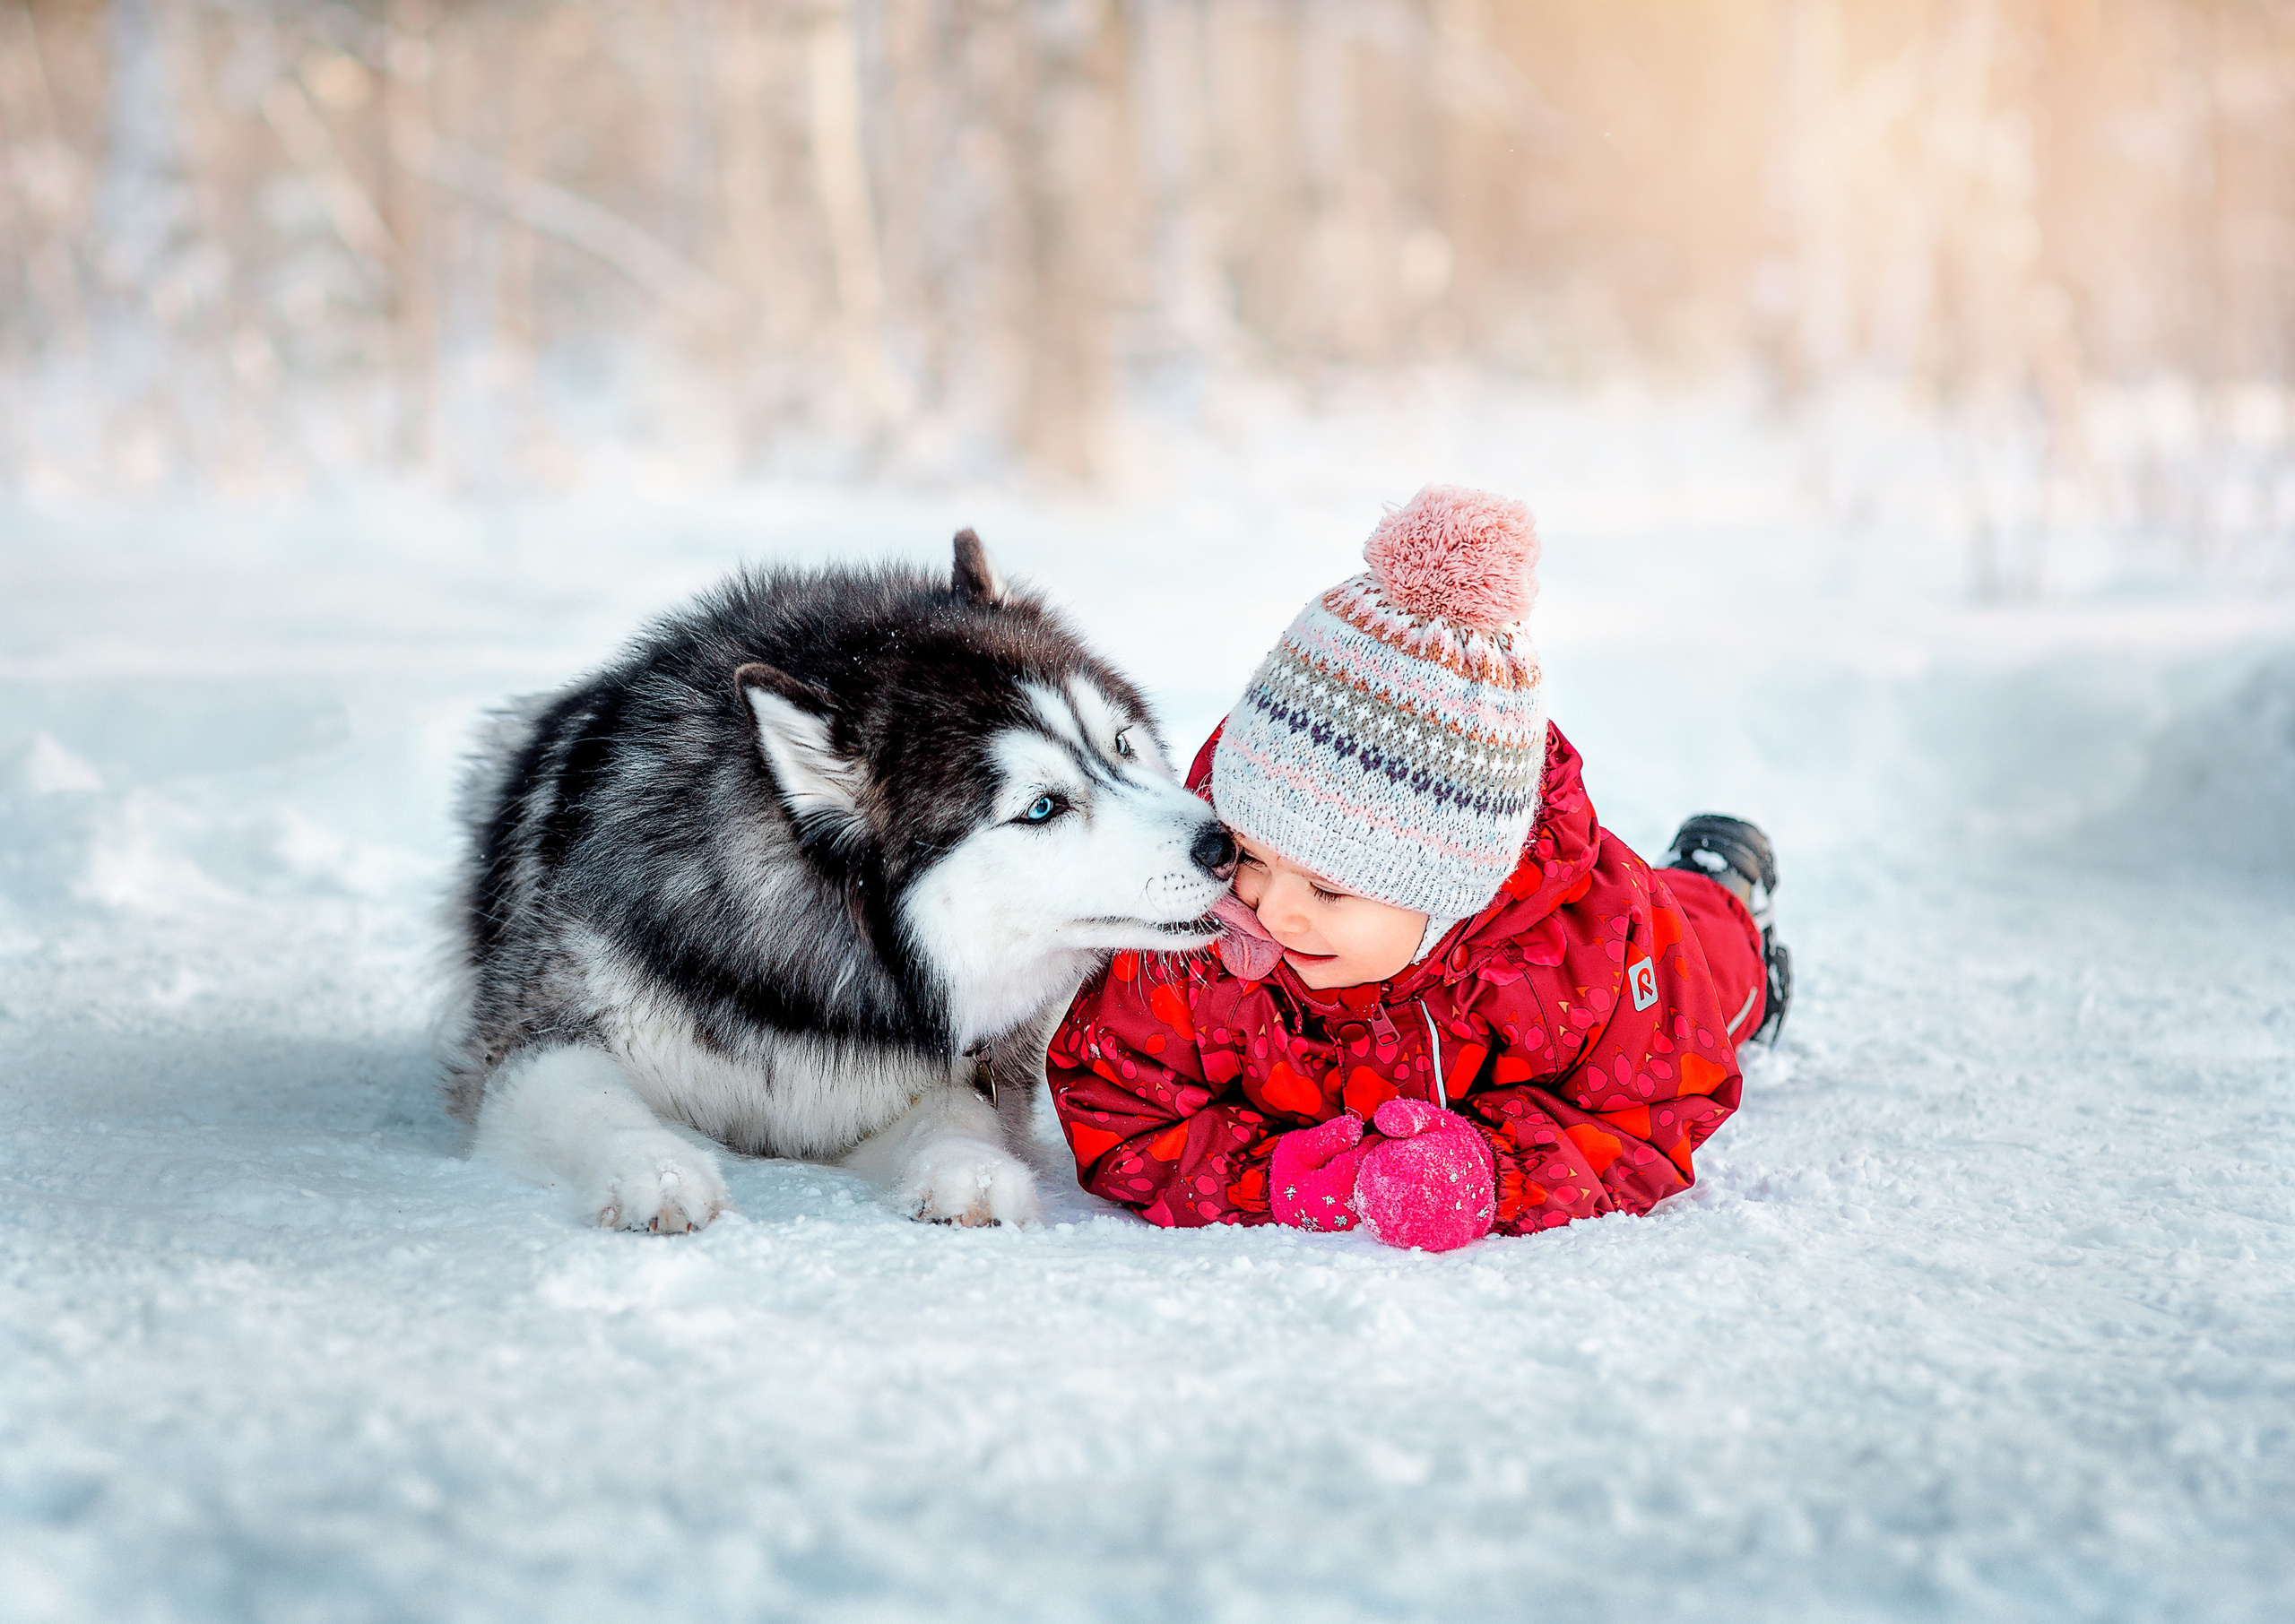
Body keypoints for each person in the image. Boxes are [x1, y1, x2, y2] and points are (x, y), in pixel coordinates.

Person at [1044, 485, 1790, 1250]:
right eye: (1251, 858)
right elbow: (1114, 1101)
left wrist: (1496, 1172)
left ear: (1450, 898)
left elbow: (1648, 1114)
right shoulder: (1207, 940)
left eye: (1329, 888)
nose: (1273, 912)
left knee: (1703, 956)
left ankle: (1725, 895)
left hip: (1642, 940)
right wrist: (1268, 1174)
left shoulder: (1592, 946)